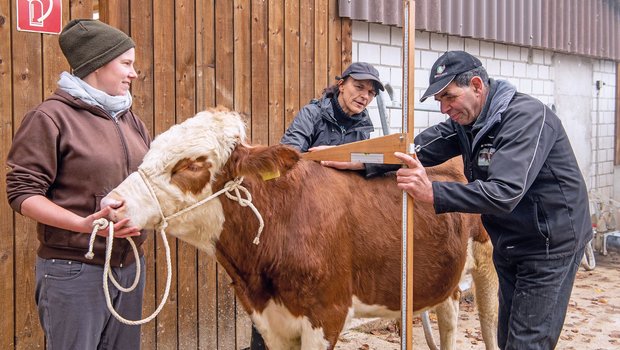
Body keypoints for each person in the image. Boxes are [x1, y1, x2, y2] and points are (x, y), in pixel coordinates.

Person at [393, 50, 592, 349]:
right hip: (511, 242)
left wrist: (433, 191)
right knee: (508, 337)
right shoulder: (467, 123)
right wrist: (359, 159)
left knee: (528, 342)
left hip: (550, 245)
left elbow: (504, 193)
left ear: (476, 85)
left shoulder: (525, 118)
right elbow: (412, 151)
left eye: (449, 97)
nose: (444, 108)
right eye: (439, 101)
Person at [6, 19, 151, 349]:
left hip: (128, 267)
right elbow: (22, 193)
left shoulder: (129, 119)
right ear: (98, 64)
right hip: (73, 271)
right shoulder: (50, 117)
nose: (134, 73)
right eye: (126, 64)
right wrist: (83, 225)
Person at [247, 62, 385, 349]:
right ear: (341, 84)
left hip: (331, 223)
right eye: (359, 88)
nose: (364, 96)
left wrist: (351, 162)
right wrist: (319, 159)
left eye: (371, 93)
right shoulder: (313, 114)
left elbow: (368, 170)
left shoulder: (365, 126)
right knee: (274, 288)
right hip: (295, 217)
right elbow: (287, 157)